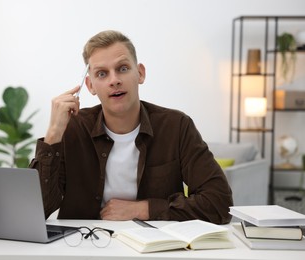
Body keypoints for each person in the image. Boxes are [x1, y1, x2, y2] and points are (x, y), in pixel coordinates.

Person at [29, 30, 233, 224]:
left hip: (153, 248)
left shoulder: (176, 126)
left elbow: (219, 203)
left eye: (123, 68)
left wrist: (142, 210)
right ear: (90, 86)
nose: (114, 80)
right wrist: (54, 133)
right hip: (84, 245)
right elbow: (35, 211)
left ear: (140, 73)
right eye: (102, 74)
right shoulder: (73, 128)